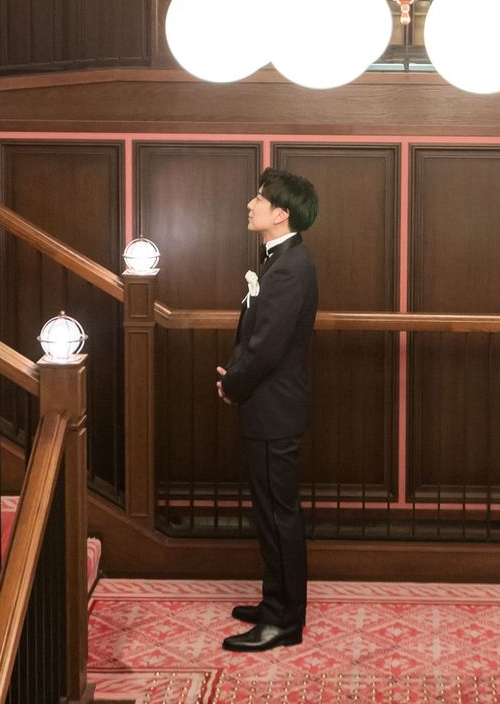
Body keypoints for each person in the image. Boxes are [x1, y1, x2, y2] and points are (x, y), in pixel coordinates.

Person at [216, 167, 319, 652]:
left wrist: (233, 385)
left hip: (274, 410)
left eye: (259, 199)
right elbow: (257, 339)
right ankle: (275, 602)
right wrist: (237, 379)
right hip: (268, 407)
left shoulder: (291, 267)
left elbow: (267, 348)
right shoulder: (282, 260)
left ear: (282, 213)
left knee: (279, 516)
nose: (250, 204)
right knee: (271, 513)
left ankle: (283, 621)